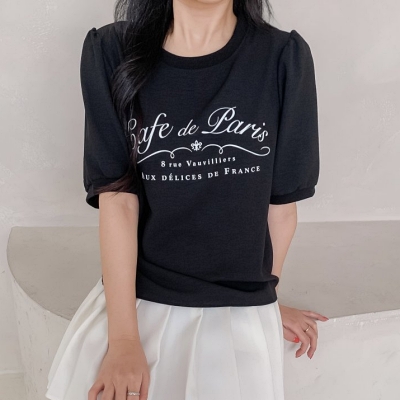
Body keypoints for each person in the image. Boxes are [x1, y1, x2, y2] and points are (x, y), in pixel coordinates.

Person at [45, 1, 329, 399]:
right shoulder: (111, 51)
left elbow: (280, 210)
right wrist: (124, 341)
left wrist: (263, 300)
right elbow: (118, 202)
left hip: (238, 315)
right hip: (137, 301)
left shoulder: (284, 58)